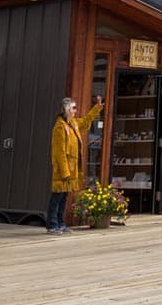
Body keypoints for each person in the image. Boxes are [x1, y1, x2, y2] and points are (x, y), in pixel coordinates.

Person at [48, 94, 103, 233]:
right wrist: (64, 171)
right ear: (66, 109)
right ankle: (52, 225)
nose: (75, 110)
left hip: (71, 168)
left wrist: (97, 108)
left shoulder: (72, 123)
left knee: (64, 197)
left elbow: (85, 121)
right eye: (73, 108)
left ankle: (60, 223)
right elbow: (58, 152)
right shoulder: (60, 127)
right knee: (57, 197)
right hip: (63, 169)